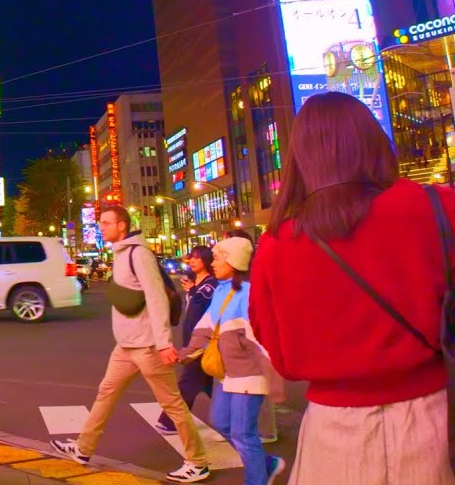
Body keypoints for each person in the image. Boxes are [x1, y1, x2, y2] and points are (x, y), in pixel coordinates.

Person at [250, 92, 455, 484]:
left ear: (300, 159)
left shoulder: (278, 242)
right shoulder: (432, 207)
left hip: (330, 438)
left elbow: (275, 347)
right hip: (437, 424)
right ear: (373, 141)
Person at [52, 204, 210, 483]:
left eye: (106, 223)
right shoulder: (121, 253)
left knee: (172, 404)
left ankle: (197, 462)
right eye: (100, 223)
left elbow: (157, 298)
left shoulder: (139, 254)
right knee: (106, 393)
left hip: (148, 345)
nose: (101, 227)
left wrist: (163, 342)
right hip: (126, 345)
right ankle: (82, 448)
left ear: (121, 225)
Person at [179, 238, 283, 485]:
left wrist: (274, 378)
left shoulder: (248, 294)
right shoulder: (223, 289)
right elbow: (206, 326)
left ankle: (257, 479)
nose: (212, 263)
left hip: (250, 373)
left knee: (243, 434)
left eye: (217, 258)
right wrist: (184, 352)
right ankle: (268, 464)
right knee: (221, 422)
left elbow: (261, 340)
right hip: (228, 374)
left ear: (233, 261)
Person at [222, 228, 279, 445]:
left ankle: (263, 432)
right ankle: (253, 431)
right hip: (238, 341)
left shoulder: (250, 275)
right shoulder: (234, 277)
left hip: (252, 338)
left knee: (259, 386)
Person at [155, 244, 218, 437]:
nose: (192, 260)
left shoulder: (210, 285)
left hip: (202, 341)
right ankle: (230, 417)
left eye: (197, 258)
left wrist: (193, 291)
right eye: (191, 257)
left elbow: (201, 310)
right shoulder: (196, 282)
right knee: (208, 385)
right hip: (192, 339)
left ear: (206, 261)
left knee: (188, 381)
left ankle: (170, 421)